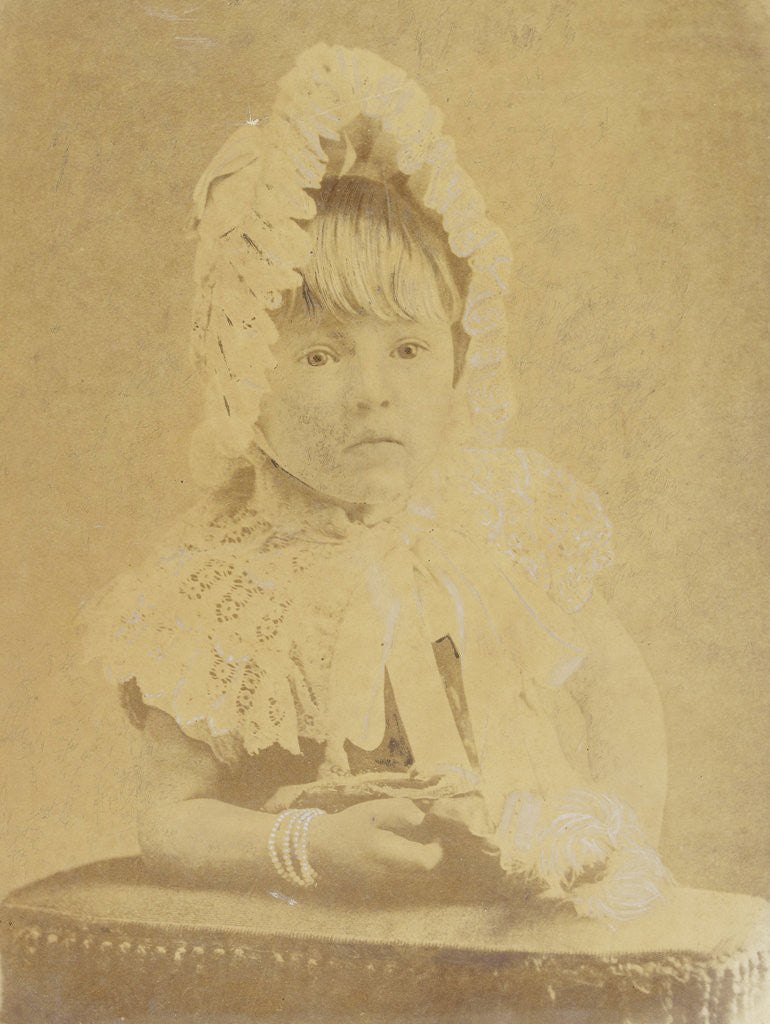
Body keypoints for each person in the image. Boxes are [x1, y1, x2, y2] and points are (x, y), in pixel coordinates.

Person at [89, 43, 669, 924]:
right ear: (244, 380)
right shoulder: (221, 590)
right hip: (333, 948)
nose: (373, 391)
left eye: (407, 348)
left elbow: (620, 691)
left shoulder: (501, 522)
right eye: (321, 356)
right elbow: (168, 820)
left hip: (530, 918)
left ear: (457, 359)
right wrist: (310, 848)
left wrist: (615, 842)